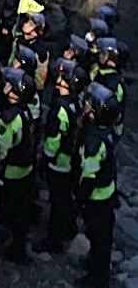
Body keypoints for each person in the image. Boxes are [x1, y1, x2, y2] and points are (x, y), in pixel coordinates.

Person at [34, 58, 88, 254]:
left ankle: (54, 239)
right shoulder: (76, 103)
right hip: (69, 160)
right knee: (64, 197)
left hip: (58, 162)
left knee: (58, 201)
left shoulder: (61, 108)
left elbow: (54, 138)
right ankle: (67, 228)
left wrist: (46, 158)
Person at [77, 83, 121, 288]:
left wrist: (80, 200)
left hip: (98, 199)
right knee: (102, 239)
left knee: (99, 239)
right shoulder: (107, 130)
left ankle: (98, 278)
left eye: (89, 104)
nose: (85, 105)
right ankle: (97, 265)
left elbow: (89, 176)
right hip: (108, 194)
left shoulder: (93, 142)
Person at [0, 67, 36, 263]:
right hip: (26, 170)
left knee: (7, 212)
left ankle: (8, 248)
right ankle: (19, 246)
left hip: (12, 173)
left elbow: (2, 151)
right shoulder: (25, 111)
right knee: (21, 212)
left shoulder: (10, 118)